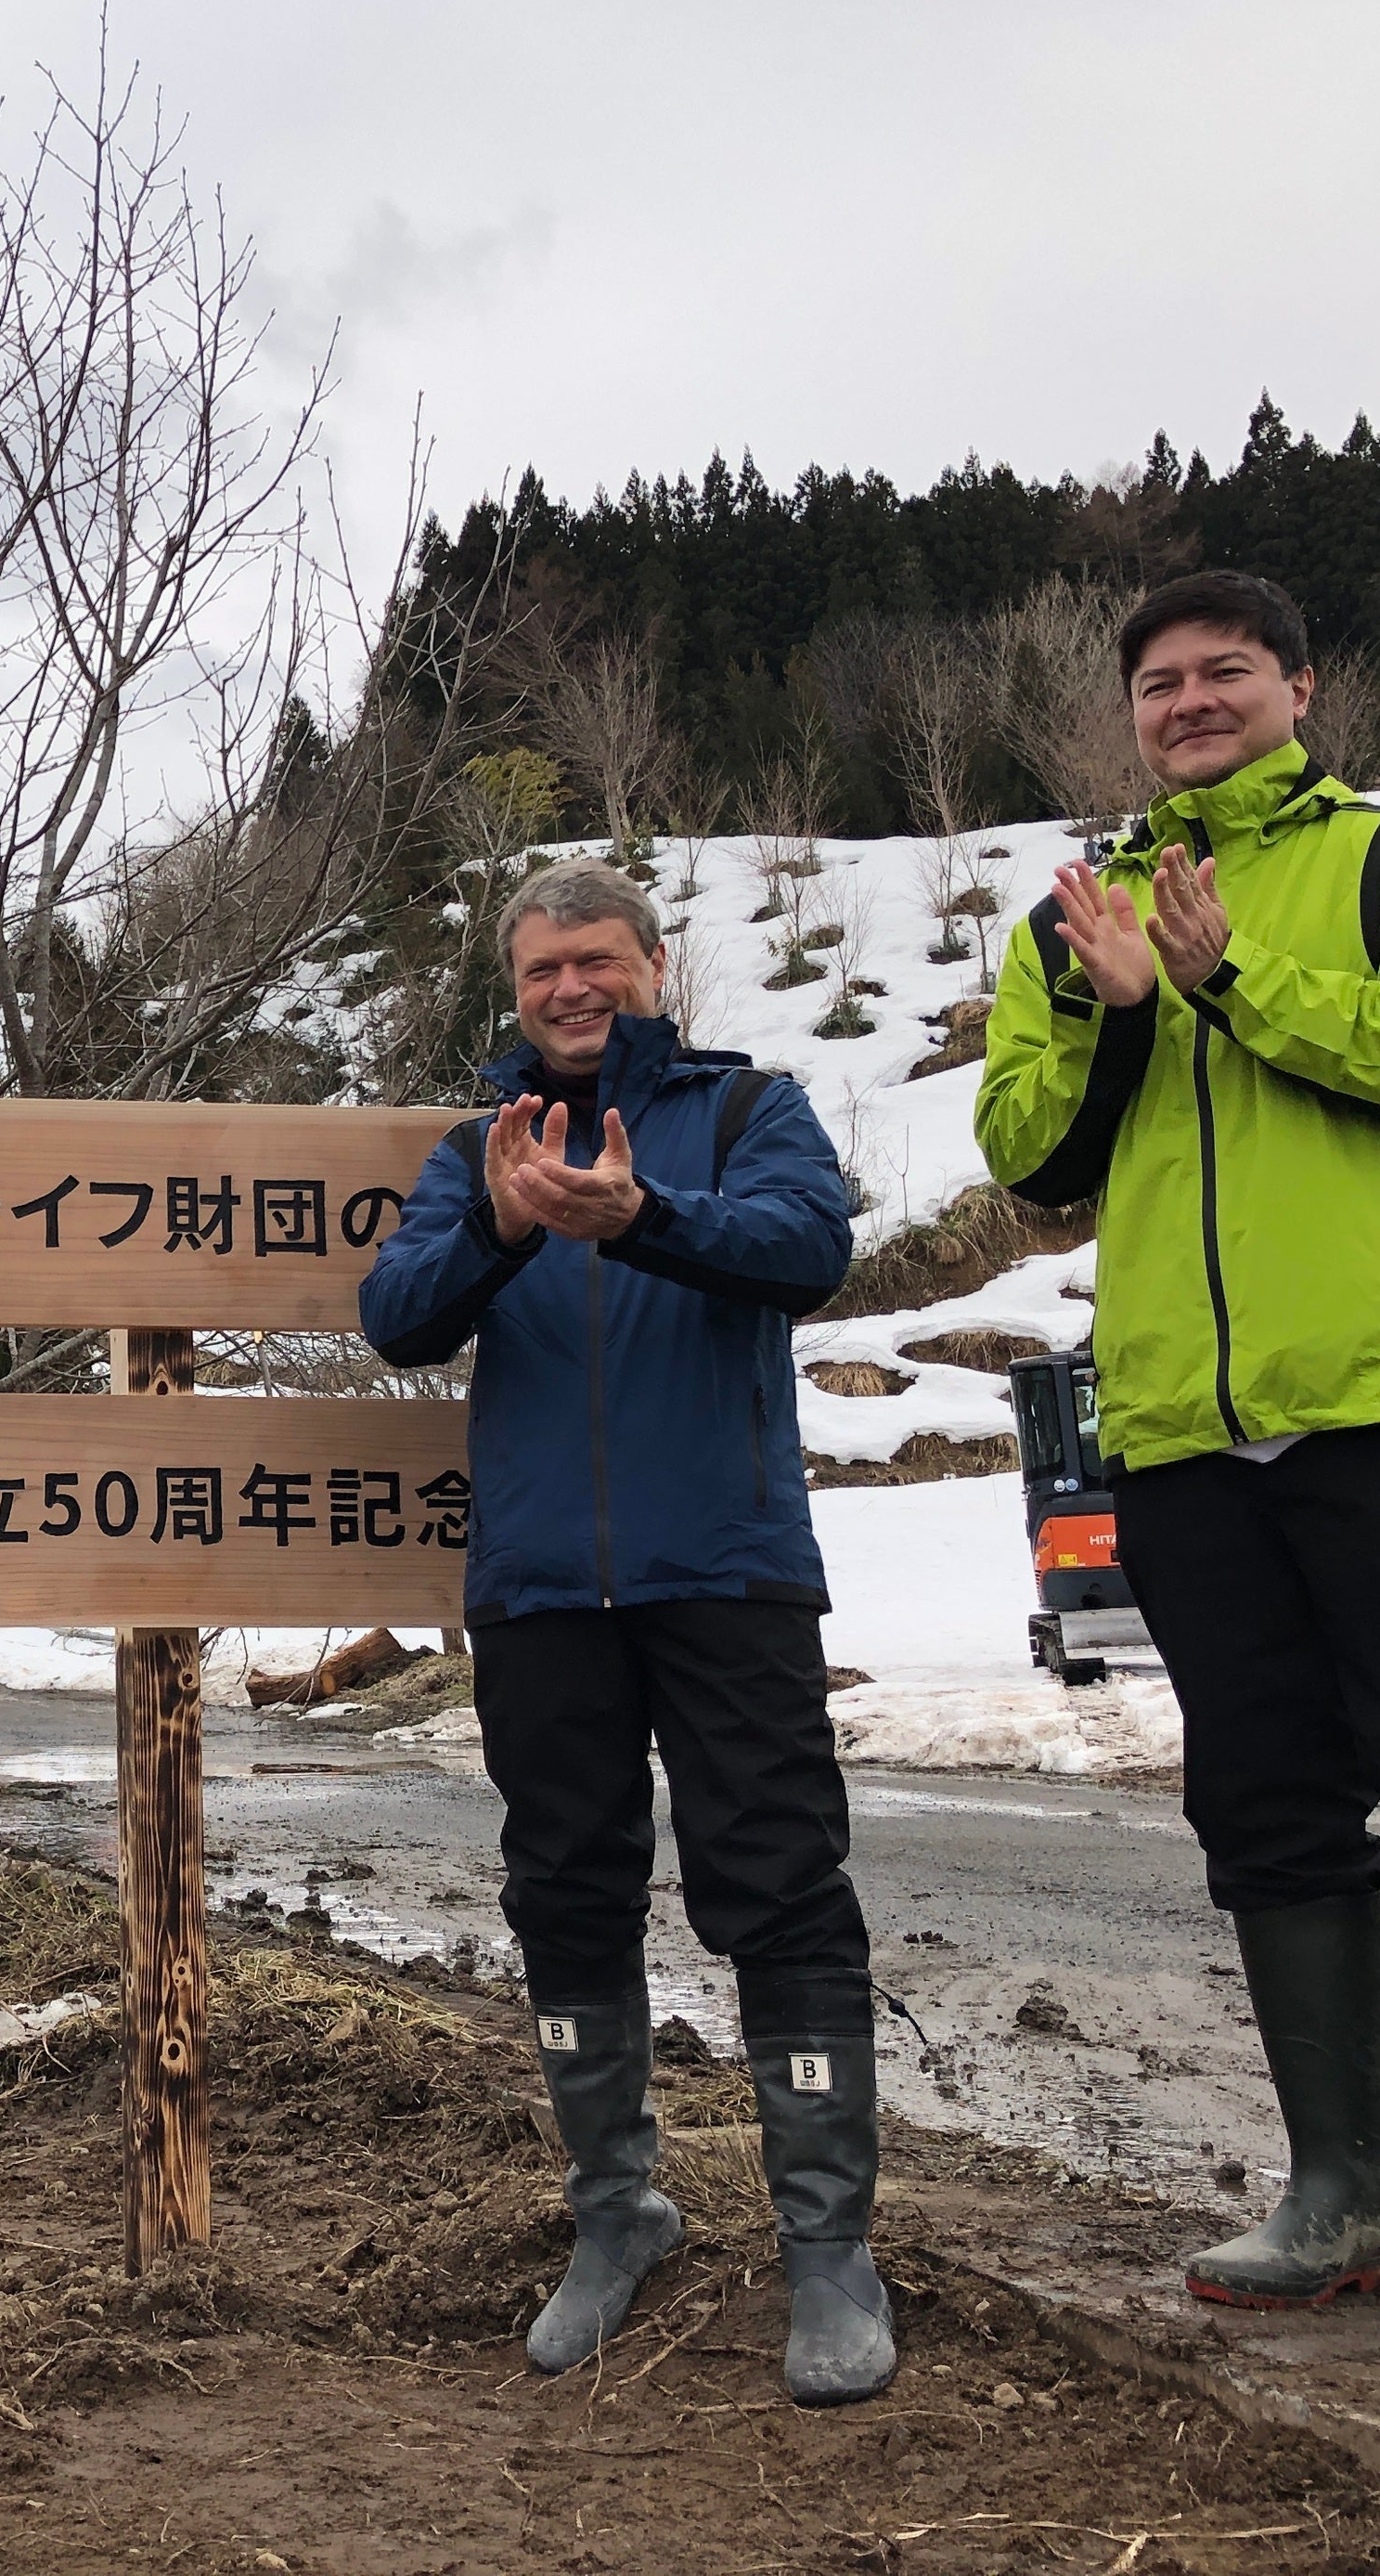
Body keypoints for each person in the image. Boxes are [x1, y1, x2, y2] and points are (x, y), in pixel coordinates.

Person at [974, 570, 1380, 2362]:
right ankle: (1345, 2200)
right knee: (1264, 1810)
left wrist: (1234, 975)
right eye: (1158, 682)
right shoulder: (1072, 916)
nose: (1188, 701)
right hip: (1184, 1430)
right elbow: (1031, 1153)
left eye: (1224, 671)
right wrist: (1116, 1007)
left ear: (1301, 687)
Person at [359, 862, 886, 2405]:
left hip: (726, 1570)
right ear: (515, 991)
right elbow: (398, 1315)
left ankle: (827, 2247)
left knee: (780, 1884)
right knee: (565, 1892)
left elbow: (808, 1247)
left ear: (655, 965)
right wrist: (506, 1224)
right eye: (542, 970)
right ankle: (615, 2214)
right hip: (538, 1591)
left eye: (596, 959)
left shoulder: (747, 1110)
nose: (571, 988)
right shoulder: (476, 1149)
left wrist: (642, 1215)